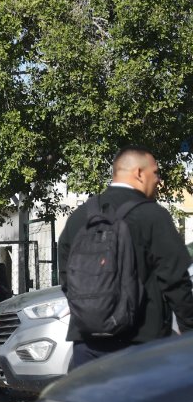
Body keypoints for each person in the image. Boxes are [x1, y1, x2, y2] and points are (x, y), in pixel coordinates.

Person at [58, 146, 193, 370]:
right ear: (139, 173)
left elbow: (67, 278)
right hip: (142, 343)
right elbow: (176, 281)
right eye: (156, 173)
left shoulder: (80, 217)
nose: (159, 180)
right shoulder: (152, 215)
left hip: (87, 344)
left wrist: (93, 310)